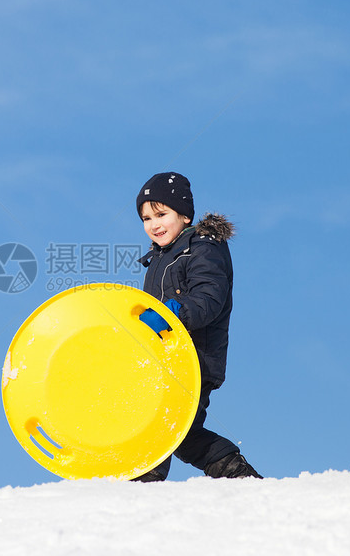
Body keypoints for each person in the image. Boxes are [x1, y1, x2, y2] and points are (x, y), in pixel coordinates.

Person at [133, 171, 261, 481]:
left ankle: (142, 485)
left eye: (161, 214)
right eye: (146, 218)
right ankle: (236, 473)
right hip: (167, 359)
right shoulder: (160, 259)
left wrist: (178, 312)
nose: (154, 224)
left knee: (158, 422)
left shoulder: (202, 248)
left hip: (194, 359)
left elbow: (209, 296)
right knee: (184, 436)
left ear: (185, 215)